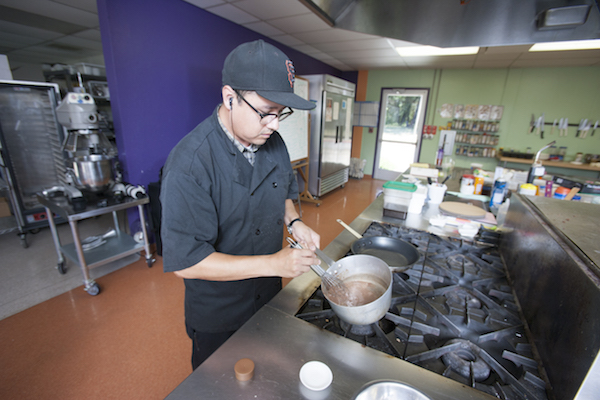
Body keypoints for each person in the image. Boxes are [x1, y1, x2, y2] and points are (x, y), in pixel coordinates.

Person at [160, 39, 321, 370]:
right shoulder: (190, 164)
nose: (274, 125)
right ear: (230, 97)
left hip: (268, 298)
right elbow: (186, 262)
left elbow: (285, 190)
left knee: (267, 378)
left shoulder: (272, 142)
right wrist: (274, 265)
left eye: (280, 114)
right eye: (266, 113)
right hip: (220, 313)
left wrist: (295, 222)